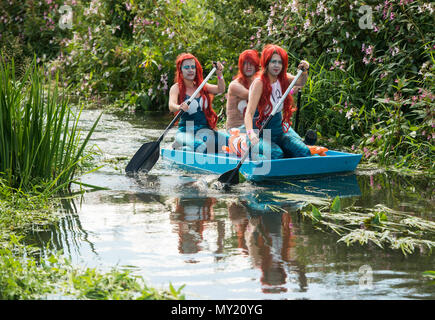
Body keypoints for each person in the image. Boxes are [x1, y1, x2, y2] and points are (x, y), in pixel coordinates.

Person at [244, 44, 311, 159]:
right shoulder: (259, 83)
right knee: (277, 154)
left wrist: (304, 71)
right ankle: (253, 152)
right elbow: (248, 113)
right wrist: (251, 134)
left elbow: (301, 81)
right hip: (259, 134)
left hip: (278, 132)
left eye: (280, 62)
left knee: (303, 151)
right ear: (266, 63)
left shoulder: (284, 77)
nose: (276, 65)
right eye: (273, 62)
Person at [169, 53, 228, 153]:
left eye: (193, 67)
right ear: (181, 70)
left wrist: (219, 74)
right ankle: (181, 147)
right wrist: (179, 107)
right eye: (186, 67)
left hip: (205, 130)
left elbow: (221, 89)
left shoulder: (202, 86)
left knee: (231, 142)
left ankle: (190, 149)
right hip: (186, 132)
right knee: (201, 146)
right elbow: (171, 106)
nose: (190, 70)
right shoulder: (176, 88)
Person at [225, 49, 260, 132]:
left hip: (253, 129)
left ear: (256, 65)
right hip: (236, 130)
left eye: (251, 63)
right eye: (245, 63)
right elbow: (253, 95)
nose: (248, 66)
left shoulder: (258, 81)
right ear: (241, 66)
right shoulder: (235, 85)